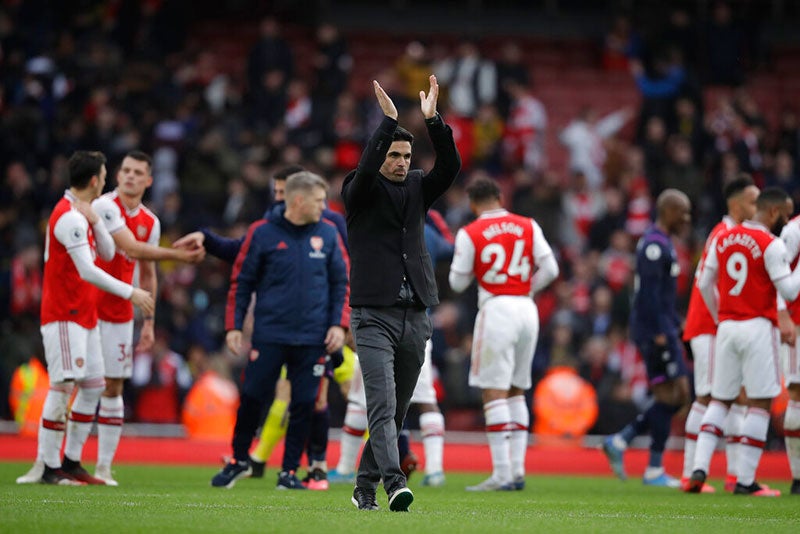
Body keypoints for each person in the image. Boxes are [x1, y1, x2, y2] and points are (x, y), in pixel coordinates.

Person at [16, 151, 205, 486]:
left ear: (149, 180)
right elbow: (126, 251)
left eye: (137, 172)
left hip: (105, 313)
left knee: (101, 386)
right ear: (100, 179)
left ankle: (88, 464)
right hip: (75, 310)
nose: (127, 177)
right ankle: (46, 466)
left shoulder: (133, 218)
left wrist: (147, 320)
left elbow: (138, 267)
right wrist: (175, 259)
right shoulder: (96, 207)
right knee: (64, 385)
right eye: (122, 171)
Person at [175, 164, 348, 489]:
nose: (324, 208)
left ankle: (289, 472)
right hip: (270, 333)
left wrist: (339, 325)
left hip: (313, 337)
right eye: (319, 201)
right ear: (298, 201)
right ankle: (239, 460)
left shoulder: (328, 233)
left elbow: (342, 282)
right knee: (253, 396)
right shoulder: (263, 232)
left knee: (304, 404)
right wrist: (235, 326)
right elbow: (242, 280)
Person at [342, 74, 460, 511]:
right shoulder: (359, 189)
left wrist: (433, 121)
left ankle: (363, 488)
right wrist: (388, 123)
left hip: (416, 314)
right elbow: (369, 168)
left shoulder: (416, 187)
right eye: (393, 153)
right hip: (372, 315)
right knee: (381, 402)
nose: (399, 161)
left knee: (396, 410)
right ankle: (395, 483)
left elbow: (449, 168)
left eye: (406, 155)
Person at [448, 177, 559, 491]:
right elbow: (551, 269)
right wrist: (526, 289)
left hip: (496, 308)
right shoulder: (527, 224)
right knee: (516, 389)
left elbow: (457, 282)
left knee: (493, 390)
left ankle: (501, 473)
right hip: (526, 308)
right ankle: (517, 470)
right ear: (499, 197)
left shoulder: (470, 232)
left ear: (472, 204)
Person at [690, 187, 799, 496]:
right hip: (757, 327)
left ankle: (700, 467)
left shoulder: (723, 237)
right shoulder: (771, 244)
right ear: (774, 212)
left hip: (726, 326)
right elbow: (790, 292)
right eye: (786, 214)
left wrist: (718, 315)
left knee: (720, 400)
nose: (787, 221)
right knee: (760, 403)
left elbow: (705, 282)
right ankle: (745, 481)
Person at [329, 218, 454, 487]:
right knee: (423, 398)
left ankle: (344, 468)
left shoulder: (374, 229)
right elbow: (452, 250)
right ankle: (435, 470)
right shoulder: (427, 233)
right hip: (416, 324)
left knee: (363, 397)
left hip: (378, 324)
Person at [602, 189, 692, 488]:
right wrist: (660, 333)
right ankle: (653, 468)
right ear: (668, 211)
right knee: (674, 394)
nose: (687, 219)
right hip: (655, 331)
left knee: (677, 395)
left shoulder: (662, 242)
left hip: (663, 327)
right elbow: (650, 295)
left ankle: (622, 440)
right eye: (683, 212)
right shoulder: (654, 245)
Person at [679, 175, 759, 493]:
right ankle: (690, 472)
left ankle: (736, 476)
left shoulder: (729, 234)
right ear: (737, 203)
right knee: (708, 397)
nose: (758, 207)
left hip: (718, 327)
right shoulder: (724, 235)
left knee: (733, 398)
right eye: (753, 201)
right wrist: (721, 319)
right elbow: (706, 284)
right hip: (710, 327)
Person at [778, 210, 800, 495]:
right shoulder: (793, 230)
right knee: (796, 393)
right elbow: (777, 273)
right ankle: (797, 475)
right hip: (798, 323)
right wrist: (783, 316)